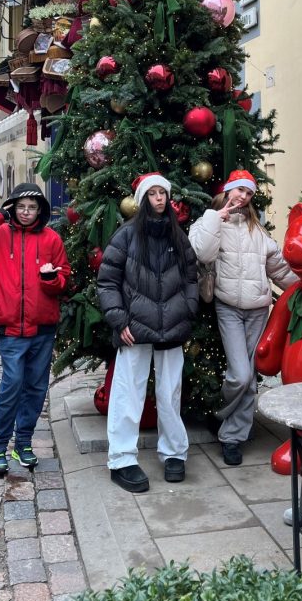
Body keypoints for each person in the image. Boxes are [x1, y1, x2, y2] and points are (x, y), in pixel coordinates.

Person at [188, 169, 298, 466]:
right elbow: (202, 254)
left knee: (249, 379)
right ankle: (220, 415)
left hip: (258, 310)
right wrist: (216, 218)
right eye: (240, 190)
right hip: (229, 309)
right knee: (240, 375)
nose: (244, 197)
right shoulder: (210, 222)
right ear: (229, 190)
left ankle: (232, 437)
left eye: (249, 193)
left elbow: (279, 269)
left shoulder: (257, 229)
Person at [97, 173, 198, 493]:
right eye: (152, 193)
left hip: (172, 327)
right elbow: (108, 281)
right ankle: (122, 459)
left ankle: (174, 453)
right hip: (134, 329)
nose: (159, 198)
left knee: (170, 393)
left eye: (162, 193)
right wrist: (119, 319)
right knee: (127, 394)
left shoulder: (178, 236)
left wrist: (187, 308)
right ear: (143, 199)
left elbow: (191, 277)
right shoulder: (126, 235)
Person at [0, 182, 70, 475]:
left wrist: (52, 279)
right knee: (11, 385)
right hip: (9, 328)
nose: (26, 212)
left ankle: (23, 443)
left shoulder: (51, 239)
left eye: (32, 207)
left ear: (40, 210)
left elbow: (64, 278)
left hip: (42, 327)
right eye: (21, 206)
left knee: (36, 388)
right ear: (12, 207)